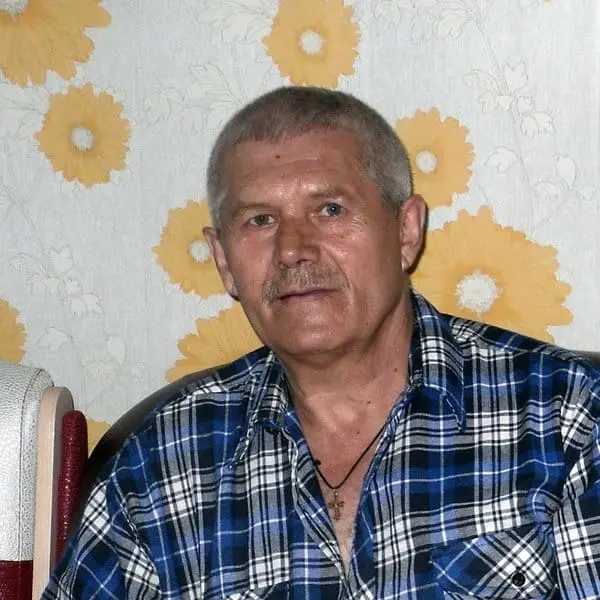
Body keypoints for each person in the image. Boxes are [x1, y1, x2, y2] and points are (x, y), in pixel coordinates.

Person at [43, 86, 600, 599]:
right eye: (260, 220)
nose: (293, 249)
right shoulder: (161, 462)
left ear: (406, 231)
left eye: (330, 210)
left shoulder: (566, 417)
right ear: (224, 261)